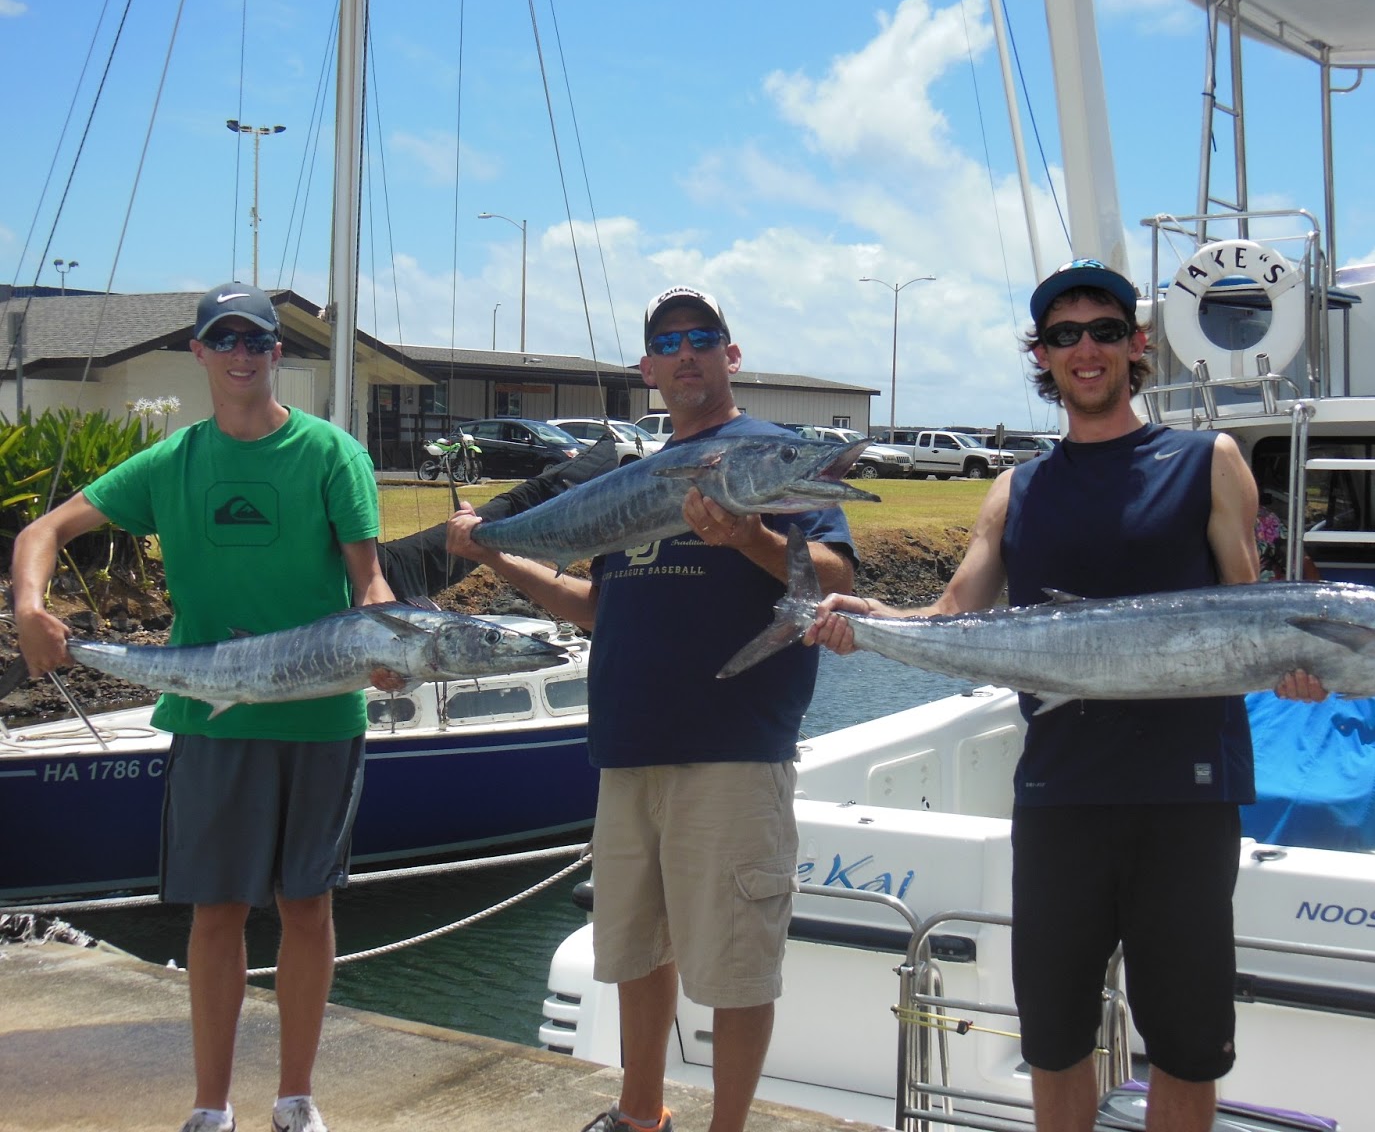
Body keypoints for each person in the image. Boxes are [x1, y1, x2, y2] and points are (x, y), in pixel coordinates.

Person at [807, 259, 1324, 1132]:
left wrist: (1296, 666)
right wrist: (870, 617)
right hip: (1061, 795)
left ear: (1136, 346)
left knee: (1189, 1043)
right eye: (1063, 335)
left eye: (1105, 330)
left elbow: (1250, 608)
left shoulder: (1208, 461)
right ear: (1041, 355)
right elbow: (953, 612)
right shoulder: (1016, 489)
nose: (1086, 349)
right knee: (1053, 1036)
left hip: (1188, 795)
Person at [445, 285, 857, 1132]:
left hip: (733, 747)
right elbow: (599, 607)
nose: (685, 354)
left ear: (731, 356)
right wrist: (491, 553)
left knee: (737, 964)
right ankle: (641, 1114)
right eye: (668, 343)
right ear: (647, 369)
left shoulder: (774, 455)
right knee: (634, 951)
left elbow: (836, 581)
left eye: (703, 338)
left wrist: (744, 534)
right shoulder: (633, 480)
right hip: (626, 746)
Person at [12, 282, 397, 1132]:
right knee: (216, 912)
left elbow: (369, 580)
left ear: (276, 353)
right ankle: (211, 1107)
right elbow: (38, 535)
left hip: (321, 717)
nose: (241, 354)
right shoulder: (171, 462)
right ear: (199, 352)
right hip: (210, 714)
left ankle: (296, 1098)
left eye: (256, 340)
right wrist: (31, 608)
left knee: (308, 907)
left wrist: (388, 644)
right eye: (224, 339)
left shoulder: (334, 454)